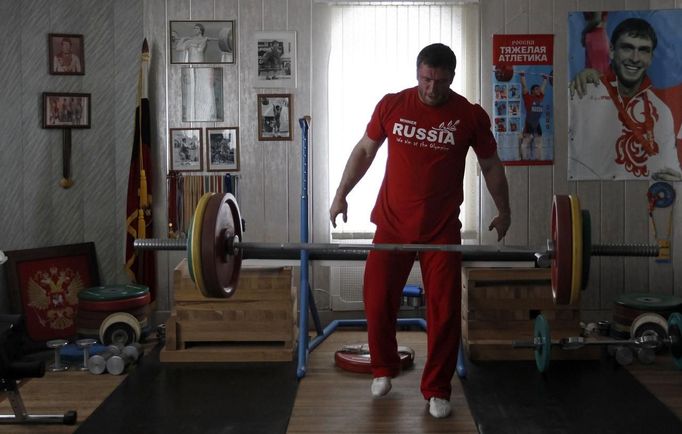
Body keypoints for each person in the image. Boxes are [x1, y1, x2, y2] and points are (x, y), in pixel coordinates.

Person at [329, 43, 511, 419]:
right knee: (377, 298)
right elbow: (364, 151)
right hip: (392, 225)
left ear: (452, 78)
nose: (432, 88)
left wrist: (504, 209)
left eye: (441, 81)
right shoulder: (392, 105)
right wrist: (340, 195)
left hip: (441, 229)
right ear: (417, 74)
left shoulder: (468, 115)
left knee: (444, 312)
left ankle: (437, 390)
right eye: (427, 79)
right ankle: (382, 368)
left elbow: (491, 165)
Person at [569, 17, 681, 181]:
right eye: (627, 48)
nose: (635, 58)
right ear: (612, 51)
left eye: (643, 50)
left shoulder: (662, 111)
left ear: (650, 58)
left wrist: (678, 181)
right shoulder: (581, 92)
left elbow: (672, 171)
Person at [519, 71, 548, 160]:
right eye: (536, 89)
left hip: (537, 124)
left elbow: (543, 88)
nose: (539, 90)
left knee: (538, 144)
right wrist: (522, 76)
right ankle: (525, 160)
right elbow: (524, 86)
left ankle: (538, 160)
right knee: (525, 144)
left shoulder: (540, 98)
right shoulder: (528, 98)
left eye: (539, 89)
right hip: (529, 123)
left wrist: (545, 79)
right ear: (532, 91)